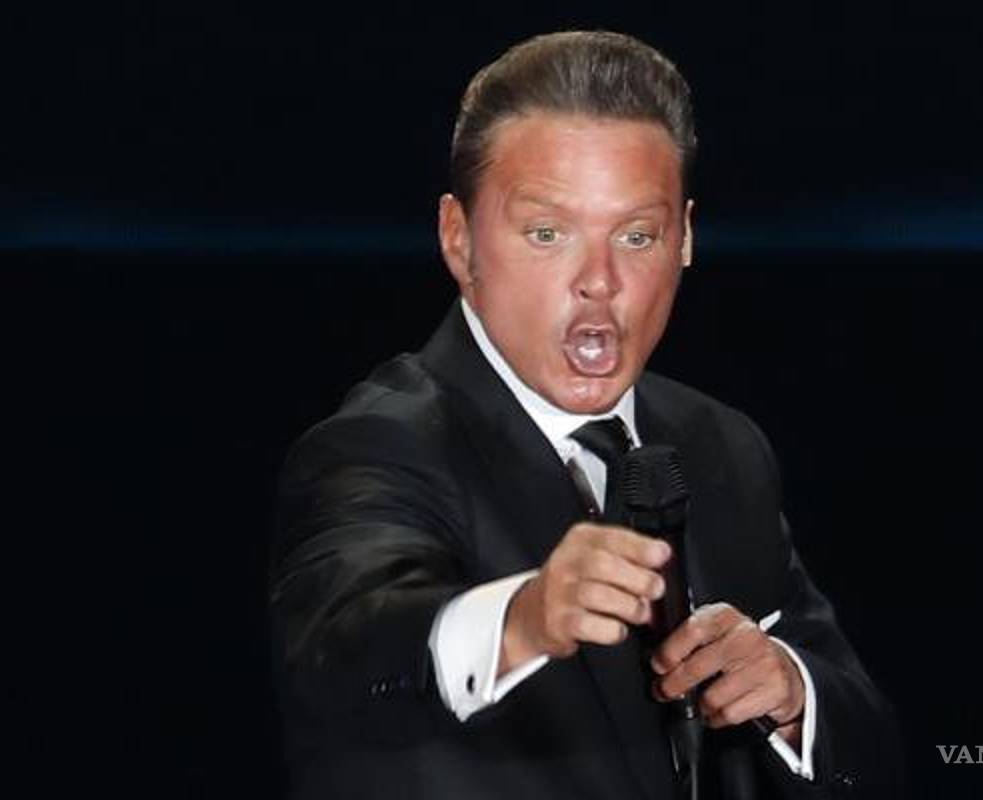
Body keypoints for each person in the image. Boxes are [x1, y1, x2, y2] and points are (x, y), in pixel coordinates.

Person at [270, 30, 902, 799]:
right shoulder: (376, 444)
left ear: (685, 239)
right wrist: (522, 618)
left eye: (637, 235)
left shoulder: (720, 444)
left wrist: (791, 693)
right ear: (459, 241)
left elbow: (871, 750)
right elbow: (345, 655)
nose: (599, 280)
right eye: (547, 233)